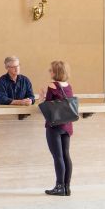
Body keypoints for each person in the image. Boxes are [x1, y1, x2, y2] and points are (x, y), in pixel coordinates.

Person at [41, 60, 76, 196]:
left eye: (51, 70)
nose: (49, 72)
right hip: (67, 125)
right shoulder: (68, 86)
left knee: (58, 157)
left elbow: (48, 106)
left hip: (54, 125)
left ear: (56, 72)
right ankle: (67, 188)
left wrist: (41, 97)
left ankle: (59, 186)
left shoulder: (52, 85)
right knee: (66, 155)